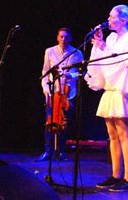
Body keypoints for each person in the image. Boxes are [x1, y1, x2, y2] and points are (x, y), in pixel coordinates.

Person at [84, 4, 128, 192]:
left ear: (123, 20)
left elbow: (125, 63)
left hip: (122, 89)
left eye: (111, 17)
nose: (108, 20)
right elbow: (102, 62)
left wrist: (104, 47)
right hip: (110, 88)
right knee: (112, 134)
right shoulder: (111, 38)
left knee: (124, 134)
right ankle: (116, 175)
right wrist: (100, 46)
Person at [35, 27, 83, 162]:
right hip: (53, 92)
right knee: (49, 121)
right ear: (57, 37)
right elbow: (44, 73)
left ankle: (61, 151)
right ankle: (48, 151)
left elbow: (82, 73)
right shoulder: (49, 51)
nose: (63, 39)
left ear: (70, 38)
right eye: (61, 36)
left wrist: (71, 75)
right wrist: (45, 89)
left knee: (64, 123)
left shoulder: (77, 52)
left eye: (66, 37)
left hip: (68, 94)